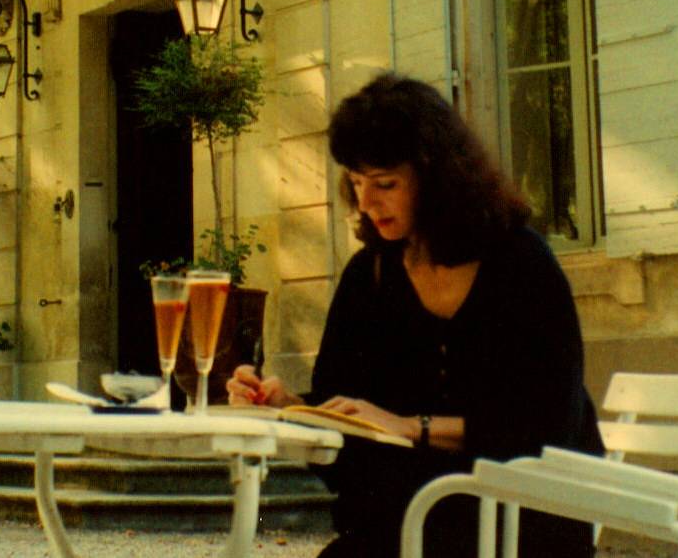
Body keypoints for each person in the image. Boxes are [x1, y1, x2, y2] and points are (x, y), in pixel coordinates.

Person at [227, 73, 604, 557]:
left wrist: (412, 426)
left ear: (437, 175)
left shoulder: (521, 264)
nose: (365, 202)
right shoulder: (371, 275)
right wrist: (290, 406)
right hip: (416, 520)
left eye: (385, 183)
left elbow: (548, 424)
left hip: (521, 520)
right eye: (357, 182)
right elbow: (350, 422)